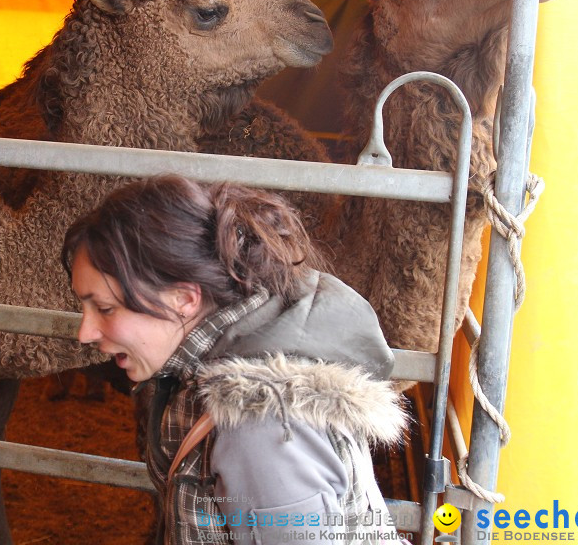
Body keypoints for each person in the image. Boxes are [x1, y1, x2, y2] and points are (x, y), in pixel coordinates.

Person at [62, 175, 408, 545]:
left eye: (105, 308)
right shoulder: (214, 375)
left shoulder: (262, 426)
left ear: (183, 298)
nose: (85, 333)